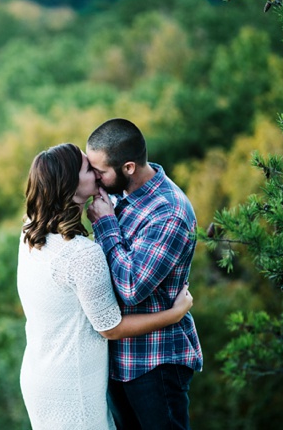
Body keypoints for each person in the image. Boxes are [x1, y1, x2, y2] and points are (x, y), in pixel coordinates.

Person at [17, 142, 194, 429]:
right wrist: (175, 314)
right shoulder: (82, 254)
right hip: (73, 382)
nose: (99, 175)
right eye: (90, 169)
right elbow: (110, 326)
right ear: (70, 184)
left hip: (40, 373)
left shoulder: (30, 230)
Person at [85, 118, 203, 430]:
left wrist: (105, 224)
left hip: (156, 363)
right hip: (118, 360)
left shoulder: (168, 213)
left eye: (99, 172)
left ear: (128, 168)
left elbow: (131, 287)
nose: (94, 179)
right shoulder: (119, 193)